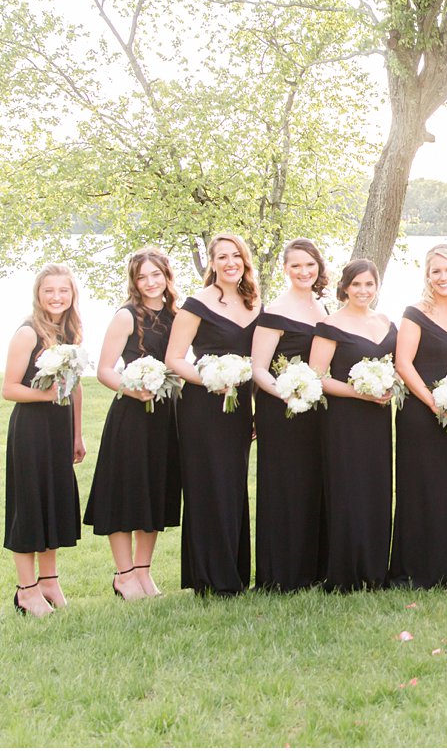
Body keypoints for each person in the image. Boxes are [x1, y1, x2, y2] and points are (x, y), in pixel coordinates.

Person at [84, 247, 182, 601]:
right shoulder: (126, 317)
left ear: (167, 276)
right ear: (134, 282)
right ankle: (124, 575)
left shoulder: (178, 314)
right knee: (125, 493)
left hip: (166, 416)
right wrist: (133, 388)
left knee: (155, 493)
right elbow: (104, 370)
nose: (150, 282)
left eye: (156, 274)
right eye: (143, 277)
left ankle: (144, 572)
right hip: (132, 415)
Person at [166, 233, 262, 596]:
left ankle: (234, 572)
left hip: (239, 408)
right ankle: (210, 578)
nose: (230, 263)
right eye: (222, 257)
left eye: (236, 256)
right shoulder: (196, 304)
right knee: (208, 486)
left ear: (245, 260)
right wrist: (210, 379)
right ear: (212, 263)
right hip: (202, 408)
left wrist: (253, 408)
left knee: (233, 487)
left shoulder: (254, 303)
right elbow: (174, 359)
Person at [2, 264, 86, 617]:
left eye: (63, 291)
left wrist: (77, 434)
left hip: (59, 430)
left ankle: (50, 582)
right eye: (49, 290)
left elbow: (76, 386)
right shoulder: (28, 333)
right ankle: (26, 590)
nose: (56, 297)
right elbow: (9, 389)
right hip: (31, 432)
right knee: (30, 507)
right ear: (38, 294)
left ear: (72, 294)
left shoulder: (69, 332)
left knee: (54, 503)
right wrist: (49, 396)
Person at [310, 258, 396, 592]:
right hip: (344, 420)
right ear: (345, 287)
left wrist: (388, 387)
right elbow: (318, 378)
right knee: (349, 490)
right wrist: (360, 393)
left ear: (376, 287)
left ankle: (375, 570)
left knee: (376, 489)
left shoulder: (386, 321)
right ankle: (344, 572)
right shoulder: (330, 325)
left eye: (369, 284)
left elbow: (399, 365)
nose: (363, 290)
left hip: (378, 419)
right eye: (356, 284)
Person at [389, 243, 447, 589]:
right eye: (436, 271)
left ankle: (440, 567)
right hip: (420, 414)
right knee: (420, 487)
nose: (443, 277)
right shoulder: (414, 312)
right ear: (427, 275)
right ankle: (411, 569)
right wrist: (433, 402)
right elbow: (403, 363)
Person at [249, 239, 329, 592]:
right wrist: (287, 392)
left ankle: (312, 567)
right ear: (285, 269)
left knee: (313, 485)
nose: (304, 271)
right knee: (285, 486)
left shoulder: (323, 308)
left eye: (309, 264)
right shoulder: (274, 312)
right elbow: (258, 368)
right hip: (280, 411)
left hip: (316, 412)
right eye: (296, 265)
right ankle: (280, 572)